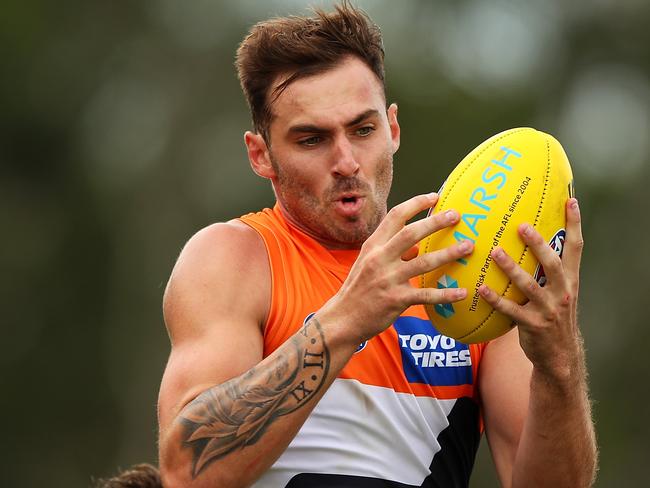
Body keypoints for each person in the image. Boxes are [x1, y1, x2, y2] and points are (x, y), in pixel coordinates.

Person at [157, 2, 598, 487]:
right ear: (261, 155)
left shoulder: (471, 271)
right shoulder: (236, 257)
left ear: (393, 129)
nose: (346, 160)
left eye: (363, 130)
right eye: (311, 139)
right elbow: (186, 473)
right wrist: (348, 318)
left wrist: (560, 364)